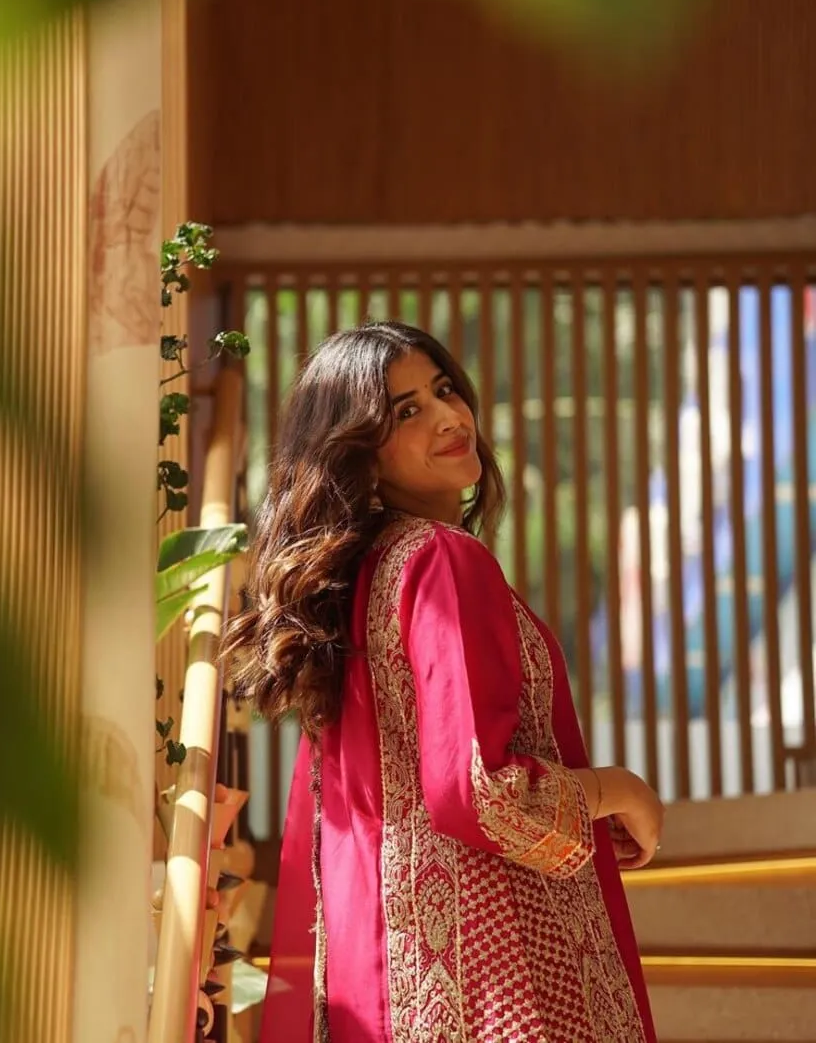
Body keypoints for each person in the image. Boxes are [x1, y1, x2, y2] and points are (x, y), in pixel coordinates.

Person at [223, 321, 663, 1043]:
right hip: (495, 970)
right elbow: (479, 790)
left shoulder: (366, 574)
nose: (449, 417)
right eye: (406, 411)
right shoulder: (439, 558)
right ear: (361, 452)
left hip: (397, 968)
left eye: (444, 389)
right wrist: (618, 790)